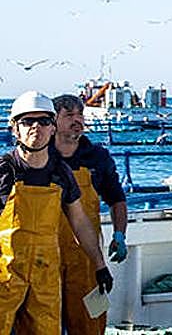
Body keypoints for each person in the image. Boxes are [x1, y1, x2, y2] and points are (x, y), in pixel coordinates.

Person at [0, 92, 112, 335]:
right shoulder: (5, 171)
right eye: (27, 122)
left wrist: (100, 264)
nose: (35, 128)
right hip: (5, 274)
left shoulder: (61, 174)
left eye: (43, 121)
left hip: (45, 277)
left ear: (52, 128)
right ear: (15, 129)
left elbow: (80, 222)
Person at [52, 93, 128, 335]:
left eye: (80, 115)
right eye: (69, 115)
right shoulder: (40, 158)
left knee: (92, 322)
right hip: (46, 255)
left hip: (88, 260)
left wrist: (119, 235)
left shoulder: (98, 157)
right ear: (52, 121)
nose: (77, 120)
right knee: (41, 322)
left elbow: (117, 199)